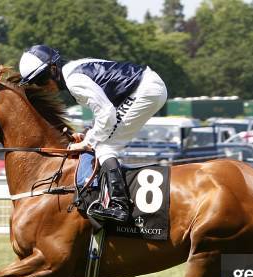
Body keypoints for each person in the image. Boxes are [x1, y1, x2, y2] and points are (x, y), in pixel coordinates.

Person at [18, 45, 168, 223]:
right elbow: (105, 112)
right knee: (101, 142)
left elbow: (107, 114)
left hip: (144, 90)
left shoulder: (74, 82)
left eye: (41, 80)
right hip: (144, 87)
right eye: (35, 83)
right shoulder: (73, 70)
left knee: (105, 147)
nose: (41, 87)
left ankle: (120, 206)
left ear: (53, 69)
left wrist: (87, 141)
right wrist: (88, 133)